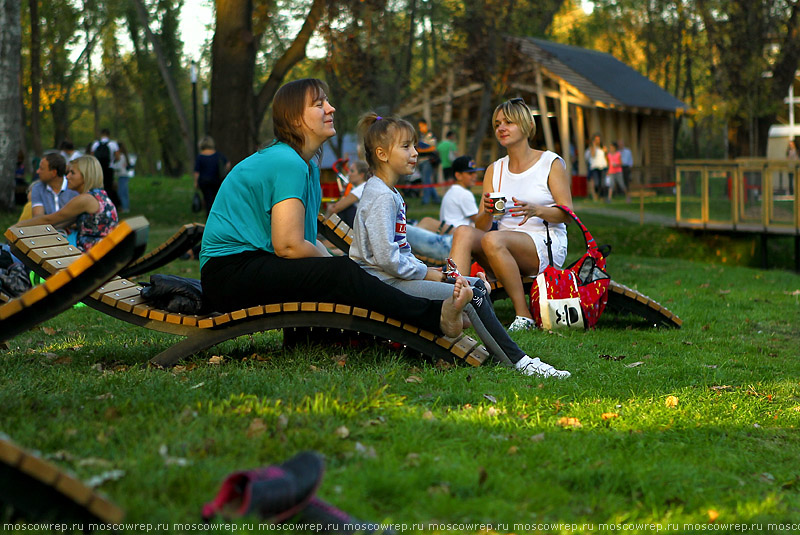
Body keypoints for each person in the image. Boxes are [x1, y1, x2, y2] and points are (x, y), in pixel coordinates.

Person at [199, 78, 472, 339]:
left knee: (344, 270)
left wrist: (333, 264)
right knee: (342, 272)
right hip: (229, 275)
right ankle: (433, 317)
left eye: (327, 102)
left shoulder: (307, 166)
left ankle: (421, 312)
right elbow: (289, 246)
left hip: (253, 267)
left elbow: (303, 242)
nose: (331, 108)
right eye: (319, 105)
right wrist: (336, 266)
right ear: (295, 119)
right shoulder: (286, 162)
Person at [349, 113, 570, 378]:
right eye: (406, 146)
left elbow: (398, 252)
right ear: (382, 154)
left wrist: (434, 273)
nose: (416, 153)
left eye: (415, 146)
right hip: (382, 282)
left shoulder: (389, 193)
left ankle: (459, 318)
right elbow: (386, 257)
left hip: (389, 277)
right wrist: (426, 273)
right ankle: (518, 360)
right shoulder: (382, 197)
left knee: (470, 286)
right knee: (473, 290)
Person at [450, 97, 574, 332]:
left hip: (544, 245)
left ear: (527, 126)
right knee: (463, 232)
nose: (501, 128)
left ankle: (523, 315)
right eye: (497, 124)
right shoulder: (494, 170)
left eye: (509, 122)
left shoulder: (550, 163)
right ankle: (454, 308)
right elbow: (483, 226)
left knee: (493, 239)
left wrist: (537, 210)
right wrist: (486, 212)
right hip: (500, 246)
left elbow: (567, 213)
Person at [16, 155, 118, 252]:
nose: (67, 177)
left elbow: (50, 219)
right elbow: (62, 223)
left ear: (85, 176)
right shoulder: (100, 196)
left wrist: (17, 227)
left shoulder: (85, 199)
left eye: (72, 173)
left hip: (85, 256)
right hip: (102, 251)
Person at [405, 155, 483, 261]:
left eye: (475, 172)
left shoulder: (451, 191)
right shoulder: (464, 194)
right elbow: (480, 221)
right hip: (454, 242)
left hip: (447, 236)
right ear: (458, 175)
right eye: (470, 173)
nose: (474, 176)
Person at [31, 153, 78, 218]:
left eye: (41, 169)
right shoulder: (38, 188)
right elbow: (38, 217)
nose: (38, 171)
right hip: (47, 228)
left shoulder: (74, 188)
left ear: (54, 173)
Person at [324, 160, 368, 227]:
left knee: (342, 209)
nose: (349, 174)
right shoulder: (365, 186)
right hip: (361, 223)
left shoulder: (361, 188)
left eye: (352, 171)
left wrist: (328, 213)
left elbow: (336, 208)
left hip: (359, 226)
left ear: (361, 175)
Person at [193, 136, 230, 216]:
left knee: (208, 200)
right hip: (217, 180)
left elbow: (197, 172)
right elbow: (227, 164)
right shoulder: (218, 155)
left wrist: (196, 182)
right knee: (216, 200)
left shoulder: (200, 157)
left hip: (204, 182)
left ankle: (209, 216)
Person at [91, 128, 121, 207]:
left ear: (101, 134)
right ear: (109, 134)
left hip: (98, 168)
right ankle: (109, 204)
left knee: (99, 186)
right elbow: (118, 157)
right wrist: (113, 161)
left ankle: (99, 203)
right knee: (109, 187)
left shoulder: (96, 144)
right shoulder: (113, 144)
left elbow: (91, 157)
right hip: (109, 168)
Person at [416, 119, 440, 205]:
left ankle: (425, 200)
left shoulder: (430, 135)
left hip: (428, 160)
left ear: (425, 125)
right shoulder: (422, 136)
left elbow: (433, 148)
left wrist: (420, 150)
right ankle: (436, 199)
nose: (420, 128)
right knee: (427, 181)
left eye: (421, 126)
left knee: (426, 181)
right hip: (421, 161)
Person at [584, 134, 606, 202]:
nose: (597, 141)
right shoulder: (591, 149)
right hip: (594, 167)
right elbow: (593, 155)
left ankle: (602, 196)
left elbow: (606, 157)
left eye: (598, 140)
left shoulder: (603, 148)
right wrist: (593, 146)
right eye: (596, 140)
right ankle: (596, 195)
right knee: (596, 183)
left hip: (603, 166)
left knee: (602, 183)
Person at [112, 142, 133, 213]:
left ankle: (125, 208)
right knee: (124, 192)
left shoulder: (121, 156)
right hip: (124, 175)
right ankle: (126, 207)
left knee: (121, 193)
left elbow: (118, 167)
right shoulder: (125, 156)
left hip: (122, 175)